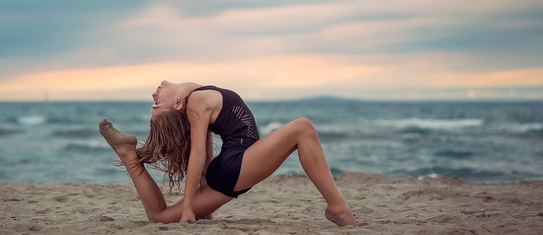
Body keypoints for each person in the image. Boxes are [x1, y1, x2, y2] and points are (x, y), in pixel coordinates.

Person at [98, 80, 356, 226]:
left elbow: (206, 145)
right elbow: (198, 154)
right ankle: (338, 208)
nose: (154, 92)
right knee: (303, 127)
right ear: (178, 104)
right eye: (156, 102)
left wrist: (203, 196)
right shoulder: (196, 101)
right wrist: (189, 207)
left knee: (160, 217)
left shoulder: (196, 96)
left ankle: (129, 155)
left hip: (232, 168)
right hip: (237, 164)